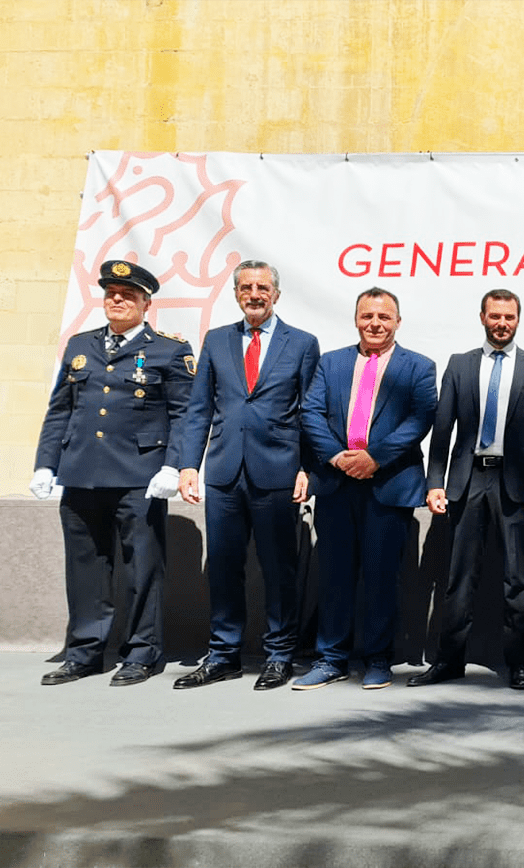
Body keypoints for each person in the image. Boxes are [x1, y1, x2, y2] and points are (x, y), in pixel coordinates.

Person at [31, 259, 195, 687]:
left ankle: (142, 652)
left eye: (127, 295)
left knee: (143, 568)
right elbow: (60, 410)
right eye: (111, 294)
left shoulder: (169, 350)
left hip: (139, 476)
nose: (117, 300)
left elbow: (184, 415)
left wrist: (173, 466)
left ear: (146, 303)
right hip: (82, 472)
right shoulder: (80, 344)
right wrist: (46, 463)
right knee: (85, 567)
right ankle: (84, 652)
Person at [172, 260, 321, 691]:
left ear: (276, 294)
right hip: (224, 473)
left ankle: (279, 656)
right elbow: (199, 408)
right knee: (223, 568)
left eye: (262, 288)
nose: (254, 295)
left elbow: (311, 411)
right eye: (246, 288)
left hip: (277, 472)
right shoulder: (217, 340)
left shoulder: (302, 343)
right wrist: (188, 464)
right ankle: (223, 655)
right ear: (236, 293)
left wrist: (307, 468)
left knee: (279, 569)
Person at [414, 289, 524, 691]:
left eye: (509, 317)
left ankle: (519, 664)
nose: (502, 324)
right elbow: (442, 430)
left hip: (516, 483)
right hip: (468, 479)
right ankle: (448, 661)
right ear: (482, 317)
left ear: (518, 320)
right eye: (495, 316)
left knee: (518, 581)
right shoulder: (459, 364)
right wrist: (435, 482)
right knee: (458, 579)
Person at [295, 288, 437, 690]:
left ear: (398, 322)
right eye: (367, 316)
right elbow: (311, 413)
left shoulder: (419, 366)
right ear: (356, 319)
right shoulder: (331, 362)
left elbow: (420, 418)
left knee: (381, 577)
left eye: (384, 317)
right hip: (337, 483)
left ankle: (378, 659)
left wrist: (375, 457)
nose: (375, 323)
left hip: (388, 485)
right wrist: (337, 457)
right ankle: (331, 658)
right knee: (334, 577)